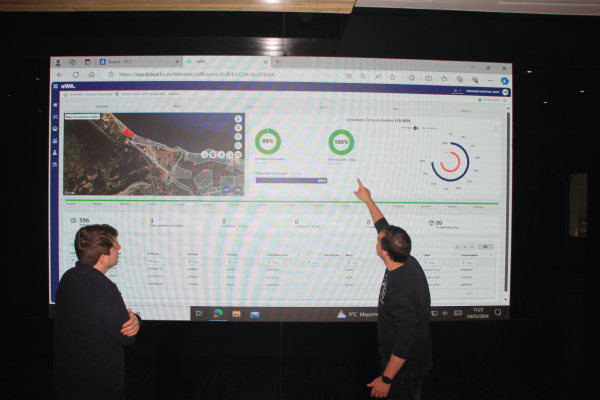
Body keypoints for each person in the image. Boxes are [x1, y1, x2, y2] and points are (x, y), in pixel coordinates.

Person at [354, 179, 432, 399]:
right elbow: (383, 227)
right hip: (398, 363)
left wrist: (386, 379)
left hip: (405, 369)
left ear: (385, 253)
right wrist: (368, 199)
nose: (377, 237)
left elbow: (407, 337)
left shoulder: (402, 291)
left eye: (378, 240)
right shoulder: (406, 259)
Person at [53, 224, 141, 400]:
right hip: (99, 389)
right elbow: (127, 337)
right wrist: (137, 319)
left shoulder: (69, 277)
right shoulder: (105, 291)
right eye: (115, 246)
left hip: (67, 383)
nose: (119, 248)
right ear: (102, 258)